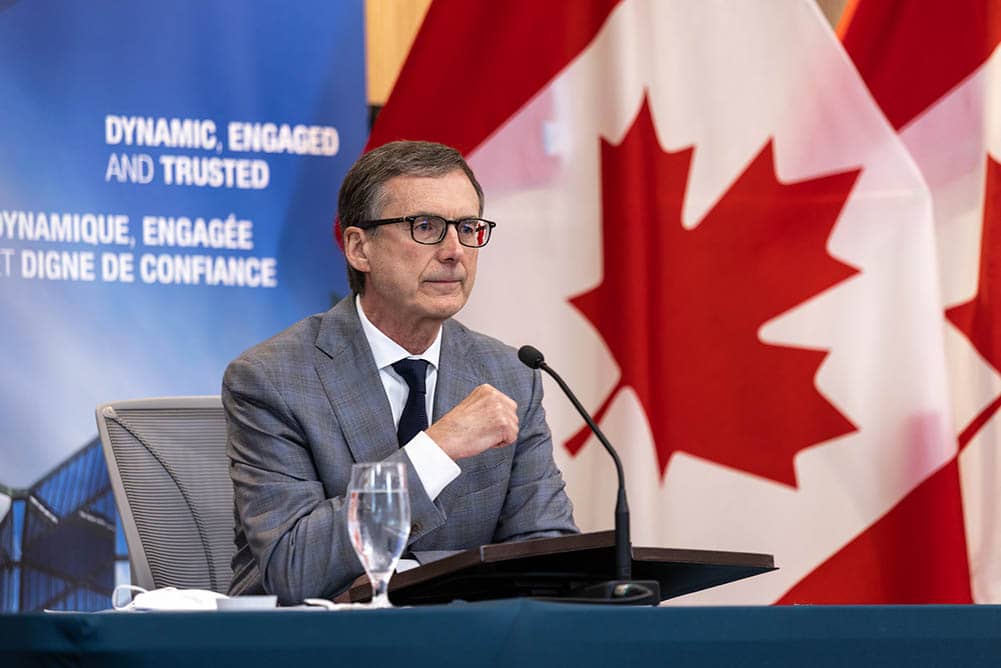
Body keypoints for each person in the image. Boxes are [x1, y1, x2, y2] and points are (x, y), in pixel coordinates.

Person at [222, 140, 577, 604]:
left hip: (466, 636)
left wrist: (435, 581)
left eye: (467, 228)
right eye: (426, 227)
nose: (455, 251)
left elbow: (545, 553)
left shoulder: (511, 374)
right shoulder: (273, 379)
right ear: (359, 248)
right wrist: (436, 449)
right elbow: (294, 567)